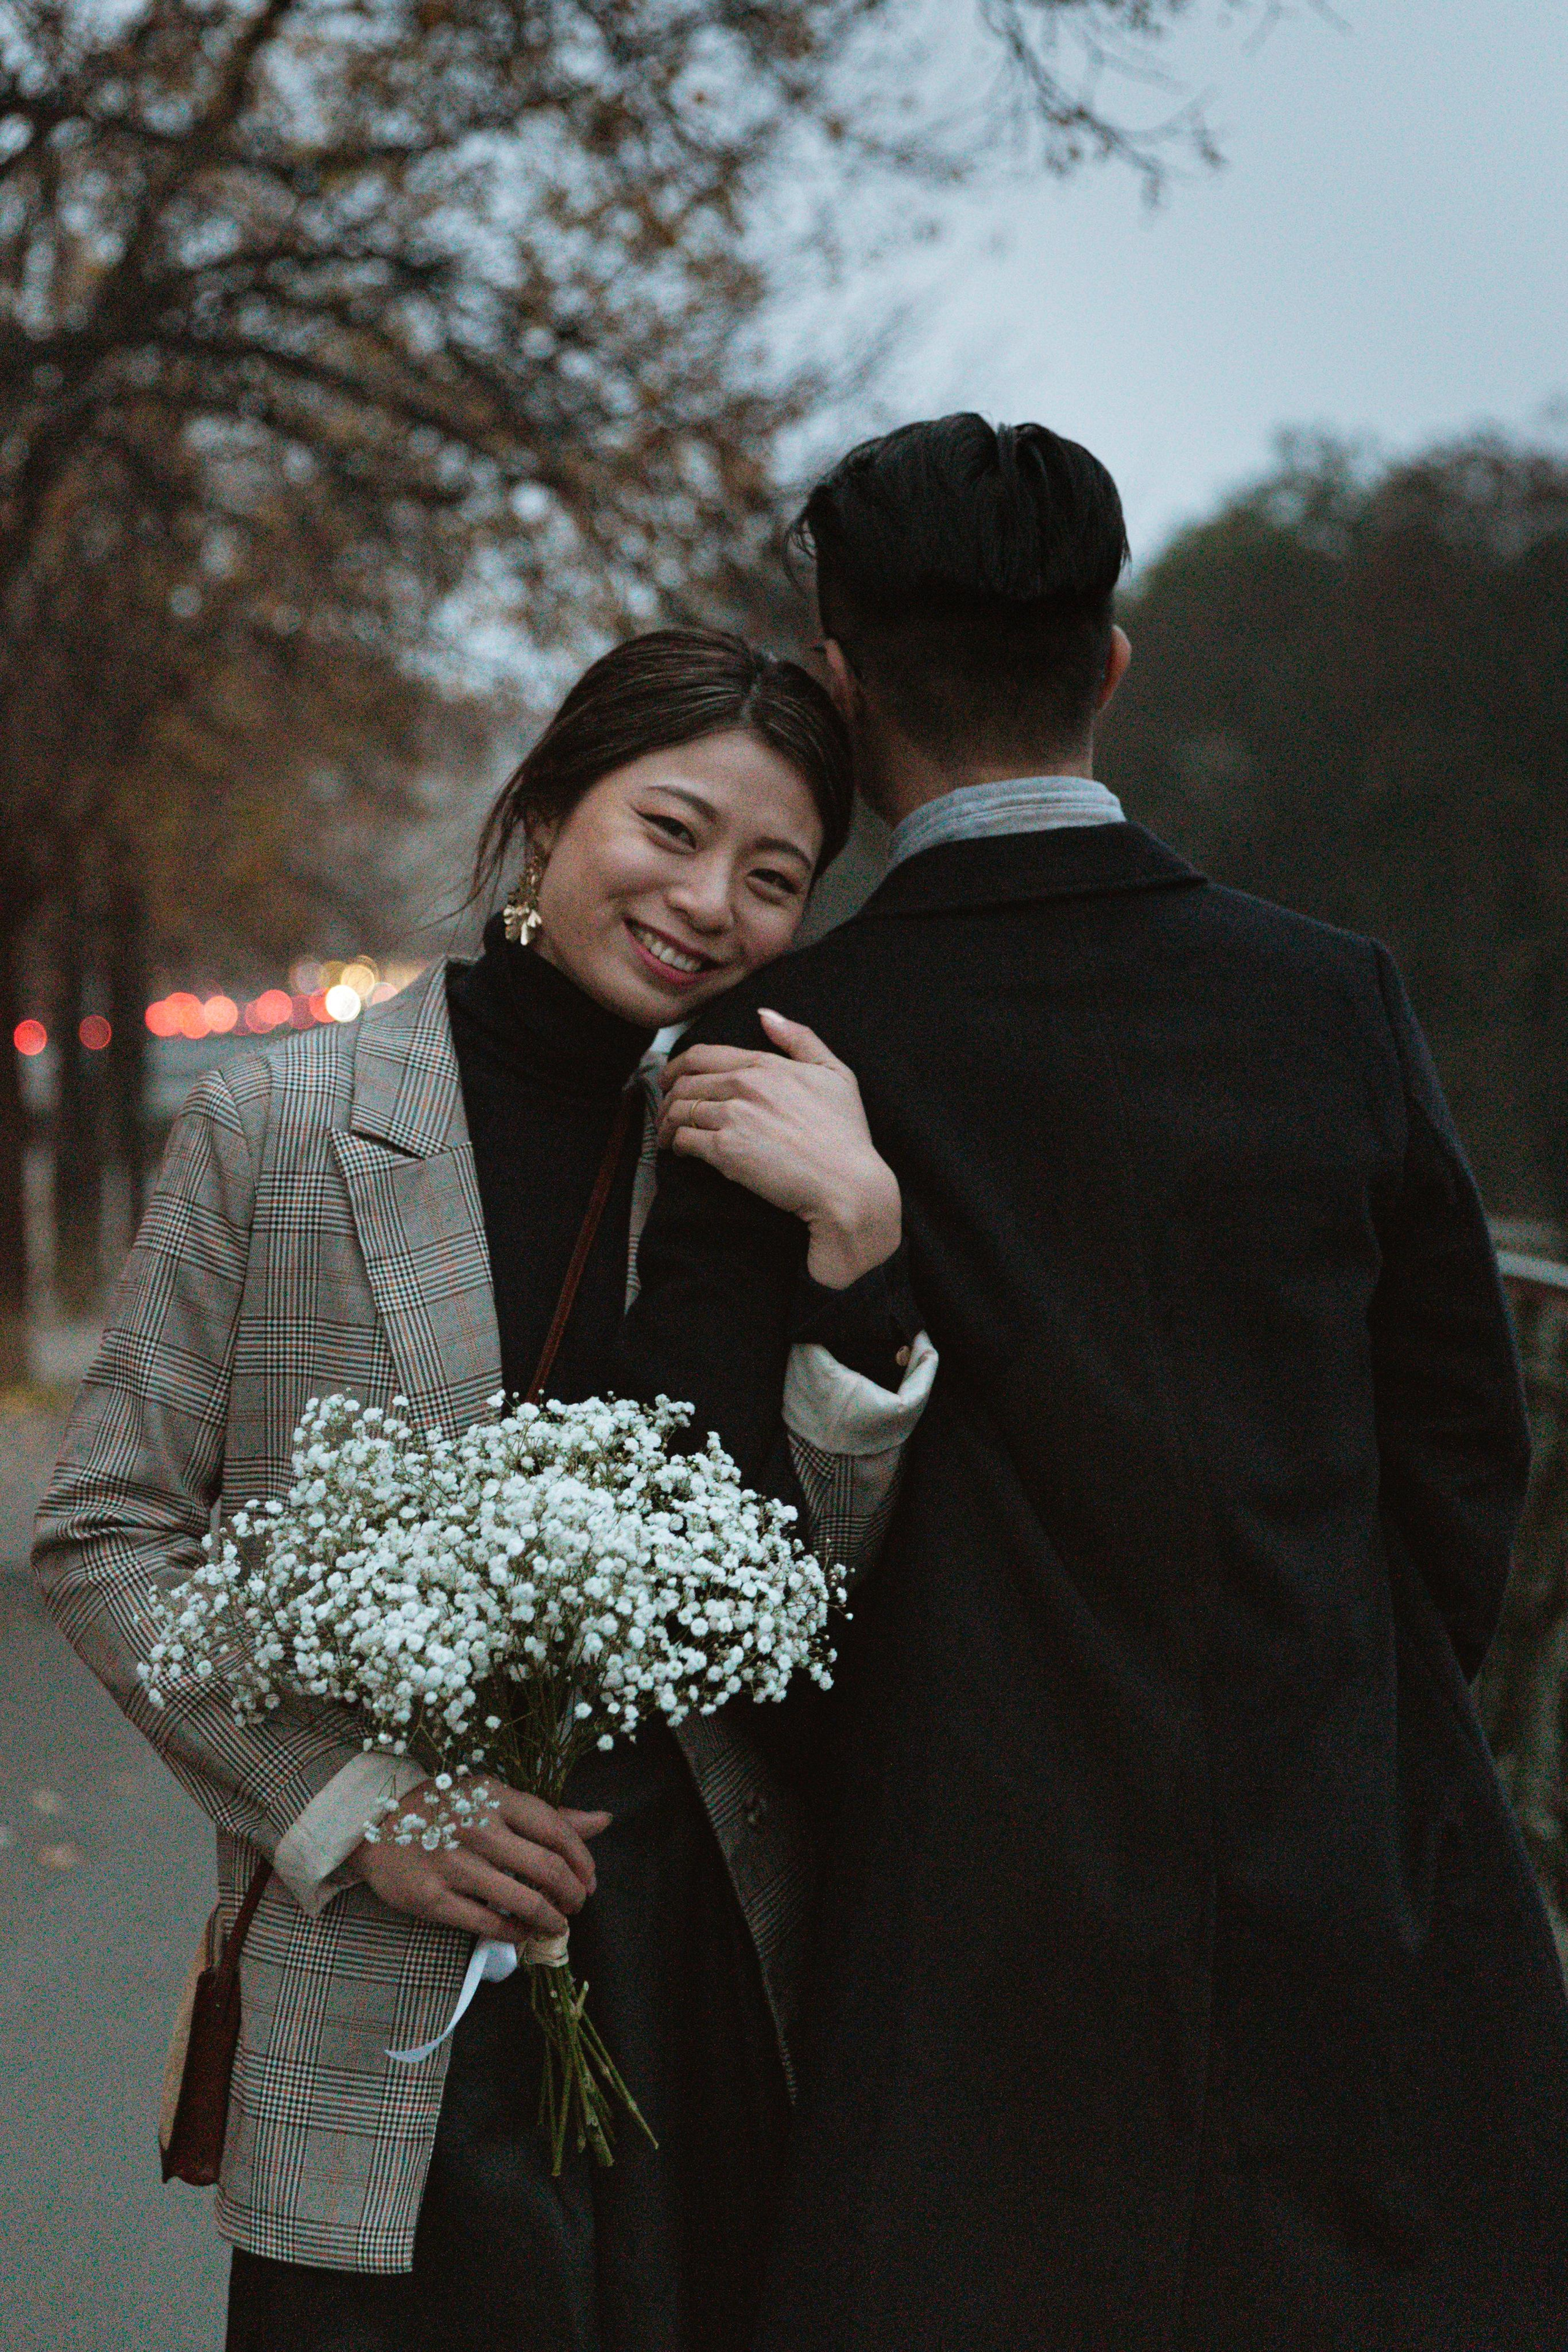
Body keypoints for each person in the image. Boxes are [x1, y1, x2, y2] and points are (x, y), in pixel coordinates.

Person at [622, 418, 1568, 2348]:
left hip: (957, 1962)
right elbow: (1468, 1446)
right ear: (1111, 666)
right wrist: (1349, 1719)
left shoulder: (778, 1052)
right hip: (1356, 1902)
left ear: (837, 679)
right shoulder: (1336, 997)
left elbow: (717, 1545)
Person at [33, 628, 935, 2352]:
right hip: (385, 1988)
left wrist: (862, 1249)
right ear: (540, 818)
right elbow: (103, 1534)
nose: (707, 903)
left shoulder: (754, 1153)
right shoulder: (282, 1122)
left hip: (698, 1972)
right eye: (667, 830)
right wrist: (355, 1810)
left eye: (772, 876)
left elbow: (815, 1586)